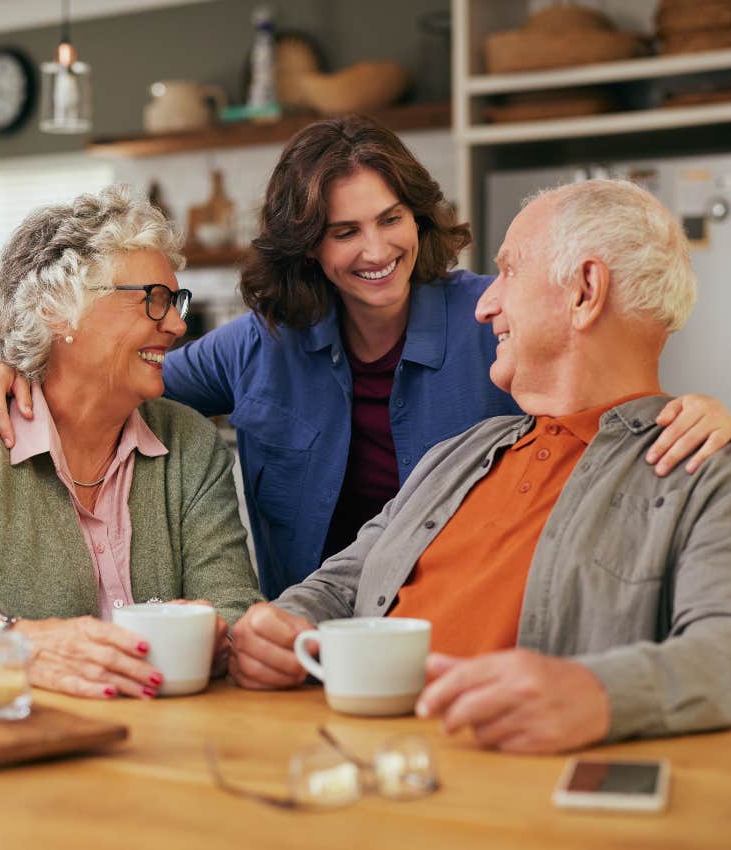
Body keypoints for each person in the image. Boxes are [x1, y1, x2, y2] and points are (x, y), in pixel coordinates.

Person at [0, 117, 731, 599]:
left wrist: (696, 408)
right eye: (345, 232)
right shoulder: (260, 343)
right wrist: (14, 365)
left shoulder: (497, 312)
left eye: (392, 219)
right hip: (307, 638)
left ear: (419, 217)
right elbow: (113, 377)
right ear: (306, 247)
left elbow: (616, 376)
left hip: (469, 631)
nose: (377, 250)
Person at [228, 178, 731, 754]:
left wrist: (599, 692)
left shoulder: (705, 470)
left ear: (585, 291)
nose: (485, 302)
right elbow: (339, 585)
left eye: (510, 272)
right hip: (347, 760)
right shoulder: (459, 453)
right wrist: (285, 626)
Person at [0, 185, 263, 698]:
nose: (175, 324)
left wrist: (216, 632)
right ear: (56, 311)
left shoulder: (190, 444)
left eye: (176, 300)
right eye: (153, 299)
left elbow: (234, 608)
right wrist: (16, 642)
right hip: (25, 753)